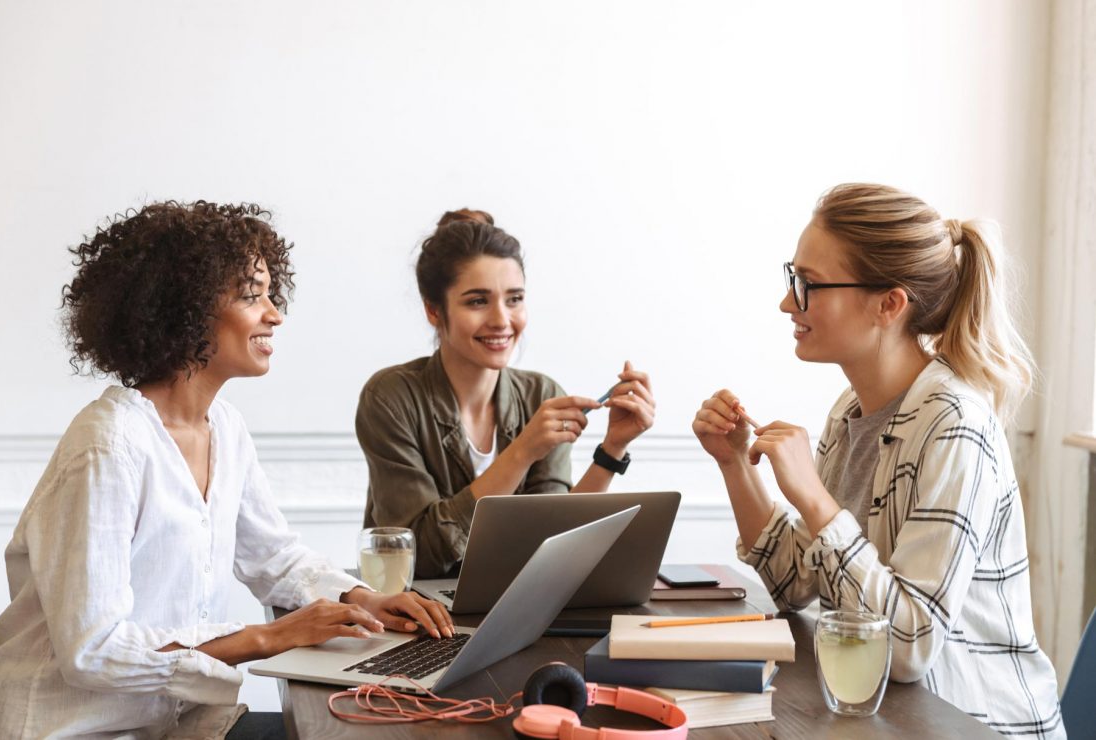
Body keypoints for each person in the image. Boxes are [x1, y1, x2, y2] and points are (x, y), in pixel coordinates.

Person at [0, 201, 452, 740]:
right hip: (63, 729)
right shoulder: (107, 445)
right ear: (185, 311)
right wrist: (266, 637)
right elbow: (92, 651)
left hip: (169, 722)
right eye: (251, 295)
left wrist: (362, 599)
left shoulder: (225, 427)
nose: (274, 313)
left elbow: (274, 557)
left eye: (270, 293)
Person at [692, 184, 1062, 737]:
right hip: (888, 717)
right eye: (793, 278)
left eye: (808, 285)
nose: (787, 303)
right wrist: (735, 466)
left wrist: (814, 499)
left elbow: (910, 646)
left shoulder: (955, 426)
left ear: (889, 304)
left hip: (974, 725)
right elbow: (796, 585)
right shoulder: (852, 412)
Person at [357, 209, 656, 578]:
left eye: (514, 299)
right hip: (419, 611)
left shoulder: (540, 394)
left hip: (514, 606)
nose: (502, 320)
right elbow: (420, 553)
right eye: (477, 301)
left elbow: (557, 537)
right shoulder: (391, 398)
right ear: (434, 311)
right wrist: (522, 452)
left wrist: (612, 450)